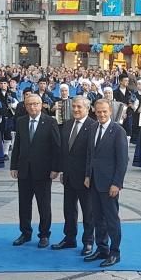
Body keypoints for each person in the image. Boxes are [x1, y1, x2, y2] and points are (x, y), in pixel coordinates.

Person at [10, 94, 61, 248]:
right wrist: (14, 166)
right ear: (25, 106)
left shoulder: (50, 122)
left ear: (41, 105)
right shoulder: (21, 122)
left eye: (35, 104)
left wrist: (55, 168)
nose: (32, 107)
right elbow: (17, 145)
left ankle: (44, 234)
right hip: (24, 170)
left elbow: (56, 147)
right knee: (24, 204)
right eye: (29, 104)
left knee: (43, 205)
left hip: (43, 171)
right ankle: (25, 233)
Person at [84, 99, 128, 267]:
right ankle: (101, 248)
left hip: (109, 184)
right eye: (98, 111)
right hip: (94, 182)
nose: (101, 114)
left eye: (104, 111)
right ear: (94, 111)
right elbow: (90, 155)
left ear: (110, 111)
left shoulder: (118, 131)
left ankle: (114, 252)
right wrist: (88, 175)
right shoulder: (93, 127)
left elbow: (122, 160)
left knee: (111, 220)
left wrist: (117, 183)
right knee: (97, 218)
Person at [51, 96, 97, 255]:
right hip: (69, 176)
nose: (76, 110)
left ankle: (88, 241)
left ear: (87, 108)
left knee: (88, 211)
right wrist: (62, 170)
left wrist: (88, 175)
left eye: (79, 107)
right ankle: (69, 238)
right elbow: (64, 150)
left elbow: (93, 154)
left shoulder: (93, 126)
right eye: (74, 107)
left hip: (85, 178)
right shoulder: (68, 124)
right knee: (69, 209)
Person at [0, 78, 18, 160]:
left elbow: (16, 105)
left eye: (5, 83)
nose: (3, 85)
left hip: (9, 117)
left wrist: (12, 103)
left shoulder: (12, 94)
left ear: (7, 84)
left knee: (8, 135)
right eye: (1, 83)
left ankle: (5, 153)